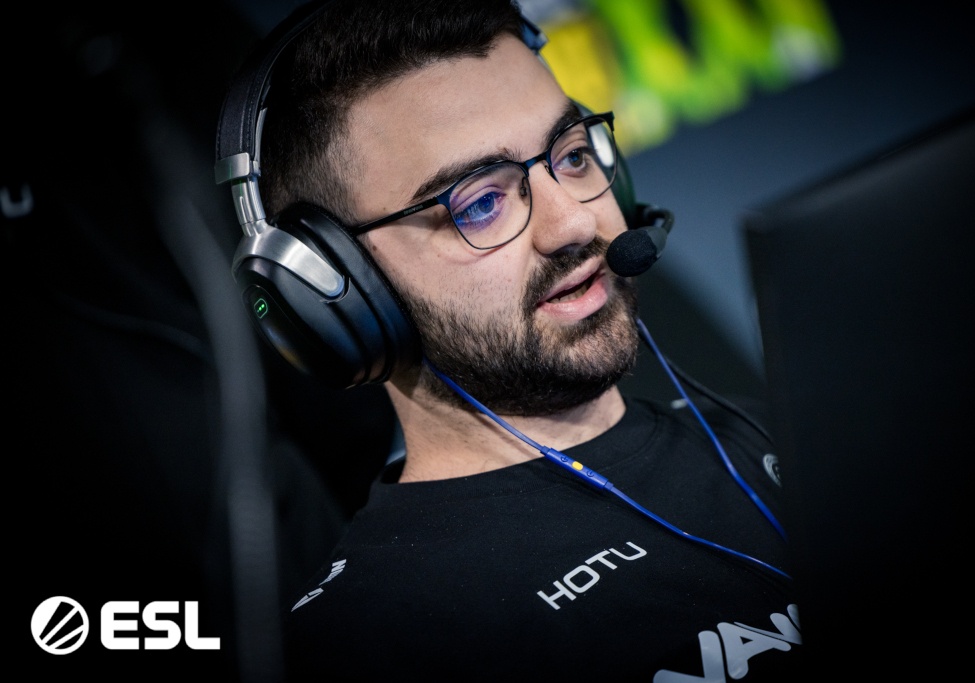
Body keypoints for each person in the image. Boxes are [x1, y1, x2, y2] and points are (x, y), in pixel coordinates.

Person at [213, 0, 802, 680]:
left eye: (572, 156)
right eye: (480, 203)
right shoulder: (364, 645)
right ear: (336, 287)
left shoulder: (779, 437)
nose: (574, 223)